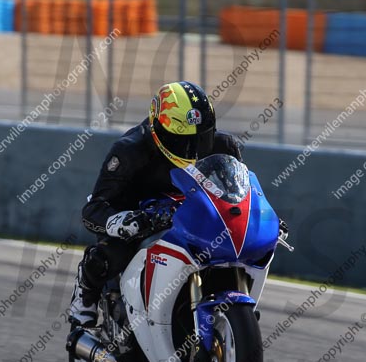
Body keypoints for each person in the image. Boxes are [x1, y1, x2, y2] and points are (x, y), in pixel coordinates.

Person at [68, 81, 243, 326]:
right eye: (181, 141)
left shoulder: (224, 147)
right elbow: (93, 209)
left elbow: (239, 193)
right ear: (158, 129)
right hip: (138, 218)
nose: (192, 150)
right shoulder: (129, 151)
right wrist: (124, 221)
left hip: (191, 216)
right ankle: (85, 294)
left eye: (200, 139)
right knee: (111, 255)